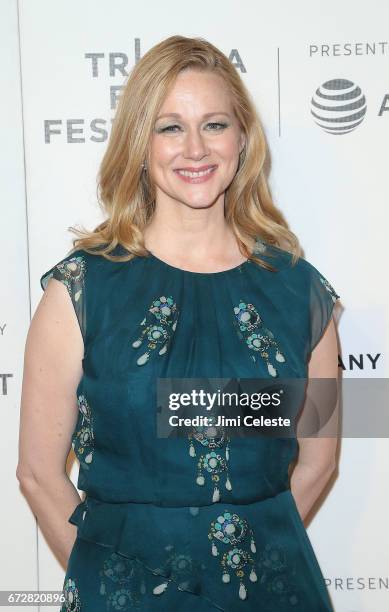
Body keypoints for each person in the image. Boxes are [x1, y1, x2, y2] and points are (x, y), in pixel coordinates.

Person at [17, 35, 340, 611]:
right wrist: (111, 582)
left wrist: (249, 566)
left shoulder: (298, 291)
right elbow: (39, 475)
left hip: (275, 594)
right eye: (170, 127)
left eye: (215, 124)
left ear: (243, 139)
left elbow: (318, 460)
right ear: (140, 144)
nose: (195, 148)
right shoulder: (81, 291)